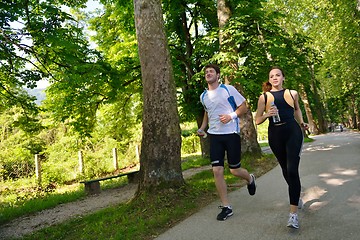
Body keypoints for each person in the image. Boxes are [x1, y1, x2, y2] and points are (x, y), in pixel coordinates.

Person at [197, 64, 256, 221]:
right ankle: (226, 207)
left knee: (234, 170)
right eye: (206, 72)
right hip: (214, 136)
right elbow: (207, 113)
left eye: (211, 71)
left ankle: (250, 179)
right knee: (217, 171)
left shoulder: (228, 89)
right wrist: (202, 128)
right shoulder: (204, 96)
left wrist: (231, 116)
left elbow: (243, 107)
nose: (208, 74)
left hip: (231, 134)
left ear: (218, 75)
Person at [255, 66, 308, 229]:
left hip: (293, 131)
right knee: (285, 169)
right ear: (269, 80)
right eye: (272, 76)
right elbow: (257, 120)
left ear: (283, 77)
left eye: (278, 75)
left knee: (292, 170)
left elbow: (297, 110)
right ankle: (296, 194)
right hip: (275, 135)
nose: (275, 78)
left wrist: (302, 123)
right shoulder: (264, 97)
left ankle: (293, 215)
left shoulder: (293, 93)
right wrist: (266, 115)